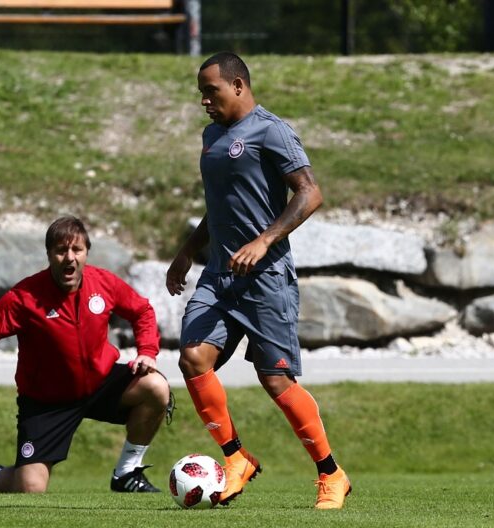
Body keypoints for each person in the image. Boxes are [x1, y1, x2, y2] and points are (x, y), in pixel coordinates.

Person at [165, 52, 351, 509]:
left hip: (266, 279)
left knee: (276, 381)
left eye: (211, 91)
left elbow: (310, 193)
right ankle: (235, 457)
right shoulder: (212, 136)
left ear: (238, 86)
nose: (204, 101)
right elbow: (221, 205)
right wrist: (187, 250)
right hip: (219, 276)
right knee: (193, 358)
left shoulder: (272, 131)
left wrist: (265, 241)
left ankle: (331, 473)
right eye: (201, 93)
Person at [0, 215, 171, 494]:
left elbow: (142, 311)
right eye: (61, 250)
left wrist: (147, 352)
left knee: (156, 387)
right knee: (29, 488)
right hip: (47, 402)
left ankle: (127, 473)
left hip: (99, 383)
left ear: (86, 253)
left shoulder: (103, 283)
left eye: (77, 250)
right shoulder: (24, 298)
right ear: (48, 254)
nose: (69, 258)